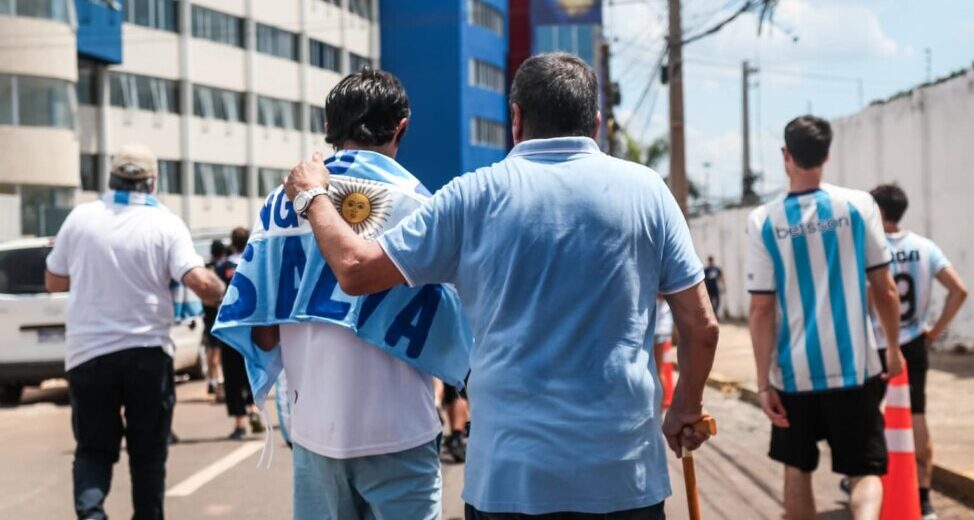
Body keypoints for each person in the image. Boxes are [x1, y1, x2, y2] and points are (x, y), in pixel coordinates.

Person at [285, 53, 719, 519]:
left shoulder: (474, 195)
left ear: (516, 119)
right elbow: (702, 326)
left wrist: (313, 194)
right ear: (594, 122)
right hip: (624, 479)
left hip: (509, 482)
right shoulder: (648, 192)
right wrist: (684, 409)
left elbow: (354, 269)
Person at [250, 69, 447, 520]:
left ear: (327, 128)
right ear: (403, 126)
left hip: (315, 431)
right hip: (401, 427)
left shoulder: (278, 206)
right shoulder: (422, 205)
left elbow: (262, 336)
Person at [45, 144, 226, 520]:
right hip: (147, 352)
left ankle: (92, 515)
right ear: (152, 181)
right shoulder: (165, 223)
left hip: (88, 354)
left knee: (93, 449)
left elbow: (53, 280)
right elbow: (201, 283)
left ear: (111, 178)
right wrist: (226, 292)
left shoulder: (80, 218)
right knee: (148, 453)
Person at [746, 116, 905, 520]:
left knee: (797, 468)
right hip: (855, 366)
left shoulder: (764, 220)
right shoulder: (858, 205)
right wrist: (893, 350)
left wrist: (763, 382)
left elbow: (761, 307)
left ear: (786, 156)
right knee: (865, 470)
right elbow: (884, 289)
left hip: (793, 374)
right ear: (827, 155)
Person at [868, 184, 968, 520]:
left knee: (871, 418)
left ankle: (875, 485)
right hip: (913, 342)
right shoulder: (924, 247)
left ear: (878, 212)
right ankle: (923, 497)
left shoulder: (870, 249)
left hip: (878, 343)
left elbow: (868, 297)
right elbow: (959, 290)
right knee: (917, 417)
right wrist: (935, 332)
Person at [216, 227, 265, 440]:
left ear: (233, 243)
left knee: (232, 375)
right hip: (252, 325)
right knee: (251, 370)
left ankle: (239, 423)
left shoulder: (222, 268)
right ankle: (254, 408)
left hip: (229, 326)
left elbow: (215, 294)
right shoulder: (256, 263)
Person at [202, 239, 227, 401]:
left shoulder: (207, 268)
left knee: (211, 350)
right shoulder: (223, 268)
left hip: (208, 314)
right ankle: (219, 384)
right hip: (219, 314)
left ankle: (211, 379)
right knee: (217, 352)